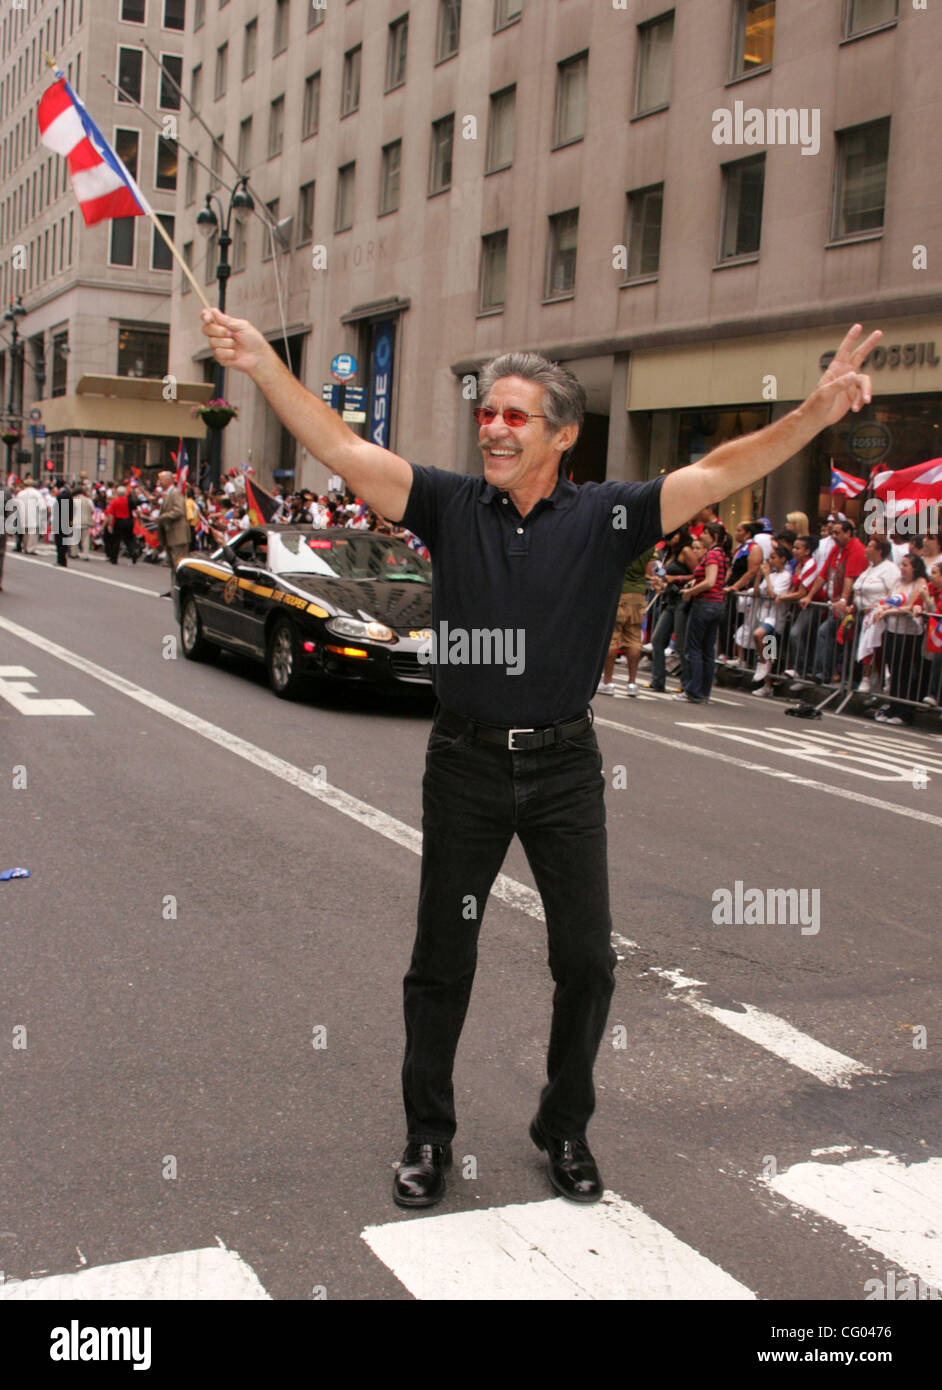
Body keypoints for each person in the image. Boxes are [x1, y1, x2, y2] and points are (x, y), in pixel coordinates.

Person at [200, 304, 877, 1207]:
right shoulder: (447, 504)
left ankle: (563, 1127)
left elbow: (722, 468)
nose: (493, 427)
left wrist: (815, 414)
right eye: (487, 412)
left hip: (563, 770)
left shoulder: (610, 516)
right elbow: (343, 448)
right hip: (465, 763)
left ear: (562, 434)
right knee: (443, 960)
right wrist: (261, 365)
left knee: (588, 962)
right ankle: (427, 1137)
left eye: (515, 415)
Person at [803, 518, 867, 684]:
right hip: (834, 604)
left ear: (848, 533)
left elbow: (849, 578)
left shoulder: (856, 549)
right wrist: (809, 596)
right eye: (832, 533)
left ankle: (825, 674)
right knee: (829, 636)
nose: (833, 536)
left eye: (837, 533)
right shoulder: (836, 549)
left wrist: (844, 600)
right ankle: (824, 673)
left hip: (848, 607)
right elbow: (823, 575)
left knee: (826, 634)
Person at [676, 520, 730, 703]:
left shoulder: (713, 554)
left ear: (714, 536)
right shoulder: (721, 555)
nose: (702, 535)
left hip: (705, 604)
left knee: (694, 649)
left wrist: (690, 592)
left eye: (705, 533)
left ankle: (693, 691)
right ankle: (703, 691)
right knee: (707, 649)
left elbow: (710, 581)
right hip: (717, 604)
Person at [597, 544, 657, 697]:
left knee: (612, 638)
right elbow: (650, 571)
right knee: (634, 638)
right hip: (638, 595)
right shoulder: (649, 545)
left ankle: (608, 681)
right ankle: (632, 683)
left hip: (620, 591)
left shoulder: (623, 541)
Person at [647, 527, 696, 692]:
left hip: (682, 600)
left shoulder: (686, 551)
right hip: (669, 600)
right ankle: (658, 680)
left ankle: (686, 684)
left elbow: (698, 574)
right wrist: (660, 582)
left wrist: (676, 578)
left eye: (672, 535)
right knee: (657, 639)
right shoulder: (669, 552)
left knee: (681, 644)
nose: (668, 538)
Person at [750, 544, 793, 695]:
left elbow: (773, 595)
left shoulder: (785, 576)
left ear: (783, 559)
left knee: (759, 635)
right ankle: (767, 686)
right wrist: (759, 576)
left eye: (774, 558)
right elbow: (757, 592)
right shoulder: (771, 575)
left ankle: (763, 663)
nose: (770, 561)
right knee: (768, 650)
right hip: (763, 615)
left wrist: (767, 576)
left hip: (775, 618)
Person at [156, 470, 191, 575]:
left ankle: (180, 584)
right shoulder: (168, 493)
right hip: (171, 536)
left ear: (168, 480)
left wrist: (161, 517)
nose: (159, 482)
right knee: (174, 565)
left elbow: (179, 511)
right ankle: (175, 584)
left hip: (178, 536)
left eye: (161, 480)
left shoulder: (175, 493)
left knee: (179, 565)